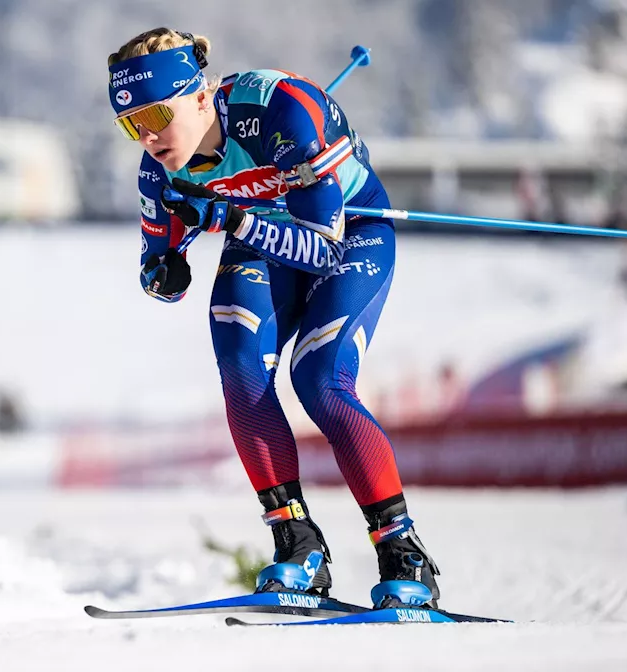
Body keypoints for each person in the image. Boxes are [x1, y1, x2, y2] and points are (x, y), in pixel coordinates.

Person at [109, 28, 441, 609]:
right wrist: (166, 273)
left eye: (158, 114)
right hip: (264, 239)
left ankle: (402, 551)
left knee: (319, 378)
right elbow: (155, 269)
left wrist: (229, 220)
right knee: (240, 360)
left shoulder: (282, 110)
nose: (150, 136)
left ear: (201, 95)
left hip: (349, 234)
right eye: (131, 123)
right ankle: (298, 545)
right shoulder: (157, 173)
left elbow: (323, 250)